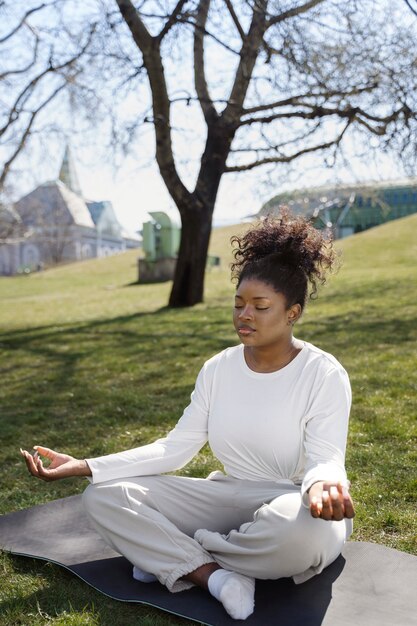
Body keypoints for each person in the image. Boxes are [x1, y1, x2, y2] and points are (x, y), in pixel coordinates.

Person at [21, 211, 355, 621]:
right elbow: (174, 449)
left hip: (291, 503)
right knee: (104, 497)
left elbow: (326, 456)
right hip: (225, 495)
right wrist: (86, 465)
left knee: (306, 534)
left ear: (293, 312)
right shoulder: (218, 368)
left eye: (260, 306)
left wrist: (324, 485)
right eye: (238, 304)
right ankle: (216, 577)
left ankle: (170, 554)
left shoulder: (322, 373)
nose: (244, 315)